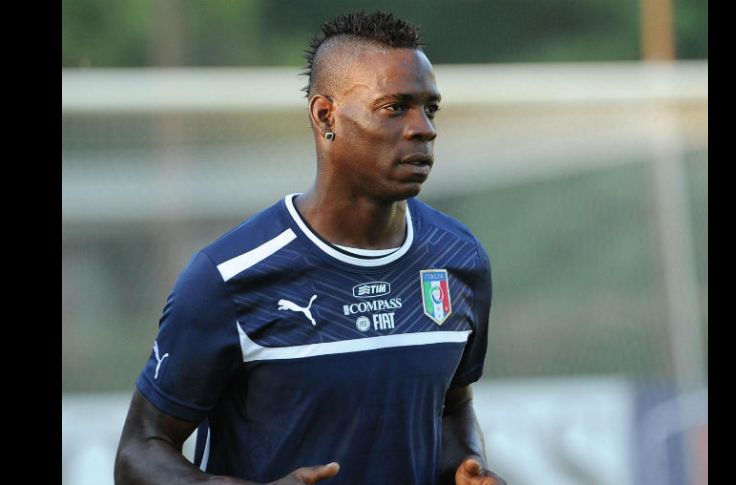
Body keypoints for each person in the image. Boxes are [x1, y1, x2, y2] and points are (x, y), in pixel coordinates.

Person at [115, 11, 506, 485]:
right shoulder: (230, 277)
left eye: (430, 108)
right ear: (326, 116)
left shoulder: (458, 259)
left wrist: (465, 465)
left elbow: (453, 406)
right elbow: (140, 451)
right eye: (395, 107)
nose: (424, 127)